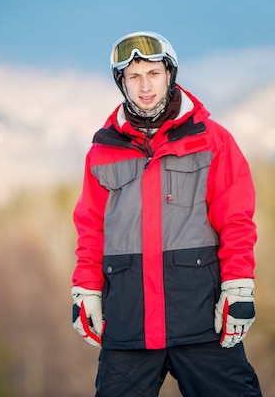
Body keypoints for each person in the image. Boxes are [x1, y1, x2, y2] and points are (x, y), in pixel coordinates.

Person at [71, 31, 262, 397]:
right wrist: (86, 290)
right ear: (122, 83)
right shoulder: (103, 150)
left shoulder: (211, 139)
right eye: (134, 77)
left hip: (201, 321)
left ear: (170, 74)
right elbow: (90, 227)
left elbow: (236, 218)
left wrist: (238, 286)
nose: (145, 86)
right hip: (128, 326)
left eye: (153, 74)